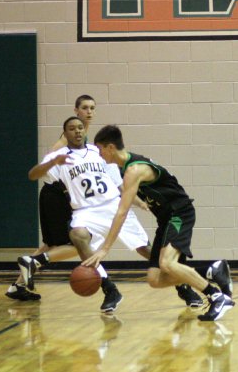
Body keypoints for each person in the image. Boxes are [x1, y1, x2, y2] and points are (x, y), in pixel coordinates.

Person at [81, 125, 235, 322]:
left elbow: (121, 212)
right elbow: (130, 193)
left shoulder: (134, 169)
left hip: (179, 213)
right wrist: (141, 200)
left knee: (166, 263)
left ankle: (215, 296)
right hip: (165, 218)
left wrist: (104, 249)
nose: (99, 154)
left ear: (110, 147)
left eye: (100, 149)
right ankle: (211, 270)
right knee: (155, 279)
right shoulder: (124, 168)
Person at [18, 116, 153, 313]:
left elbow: (119, 184)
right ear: (65, 134)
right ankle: (110, 290)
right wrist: (52, 162)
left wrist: (138, 201)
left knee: (146, 250)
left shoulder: (99, 152)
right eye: (72, 129)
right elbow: (32, 175)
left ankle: (183, 287)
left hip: (113, 204)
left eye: (80, 127)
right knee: (76, 236)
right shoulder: (59, 156)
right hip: (86, 211)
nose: (78, 131)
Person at [11, 95, 97, 299]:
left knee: (50, 246)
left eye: (92, 108)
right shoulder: (66, 137)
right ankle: (24, 274)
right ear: (76, 110)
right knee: (75, 243)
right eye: (85, 108)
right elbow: (49, 159)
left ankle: (18, 285)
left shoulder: (83, 134)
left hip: (60, 196)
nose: (89, 112)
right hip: (56, 194)